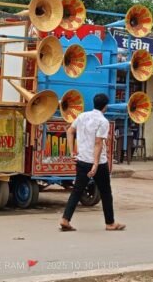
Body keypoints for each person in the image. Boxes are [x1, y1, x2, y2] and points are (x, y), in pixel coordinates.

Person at [59, 93, 126, 232]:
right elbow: (98, 143)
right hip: (98, 163)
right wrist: (95, 164)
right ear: (105, 106)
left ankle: (65, 219)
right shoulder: (103, 121)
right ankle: (110, 223)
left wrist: (72, 152)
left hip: (82, 159)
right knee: (106, 193)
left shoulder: (82, 116)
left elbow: (70, 131)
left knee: (77, 191)